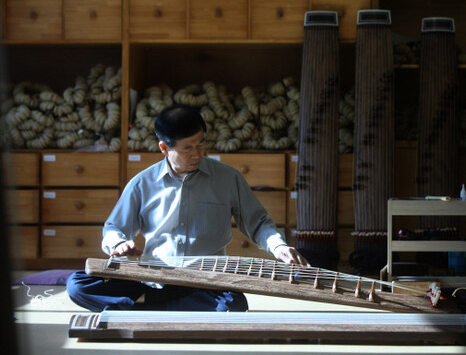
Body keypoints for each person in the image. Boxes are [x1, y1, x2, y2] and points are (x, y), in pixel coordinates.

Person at [67, 104, 308, 312]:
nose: (197, 154)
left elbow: (258, 222)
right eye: (187, 148)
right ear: (164, 148)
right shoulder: (143, 183)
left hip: (205, 281)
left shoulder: (227, 178)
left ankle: (145, 311)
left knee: (234, 305)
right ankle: (164, 308)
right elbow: (114, 227)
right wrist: (119, 243)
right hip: (153, 278)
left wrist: (278, 246)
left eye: (201, 144)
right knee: (78, 285)